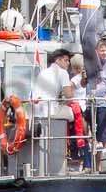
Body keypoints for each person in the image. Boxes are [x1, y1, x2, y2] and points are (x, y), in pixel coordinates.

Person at [32, 48, 75, 176]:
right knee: (74, 113)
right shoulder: (62, 73)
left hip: (38, 111)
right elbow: (68, 95)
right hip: (50, 110)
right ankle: (76, 148)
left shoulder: (43, 72)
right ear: (58, 60)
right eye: (66, 60)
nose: (68, 64)